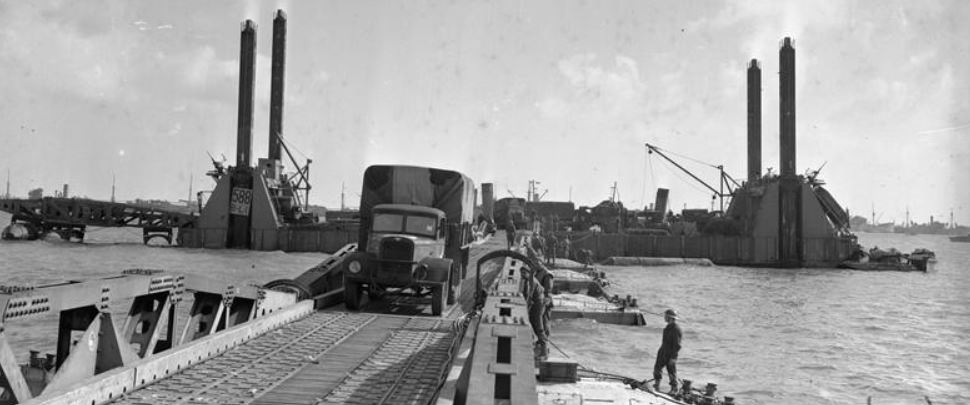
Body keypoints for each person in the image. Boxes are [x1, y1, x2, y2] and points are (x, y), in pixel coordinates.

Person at [653, 309, 682, 394]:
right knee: (657, 369)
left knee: (671, 372)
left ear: (670, 318)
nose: (664, 317)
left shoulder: (676, 329)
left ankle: (674, 389)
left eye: (666, 316)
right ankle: (656, 386)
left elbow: (677, 345)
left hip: (670, 354)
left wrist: (673, 357)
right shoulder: (668, 327)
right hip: (663, 352)